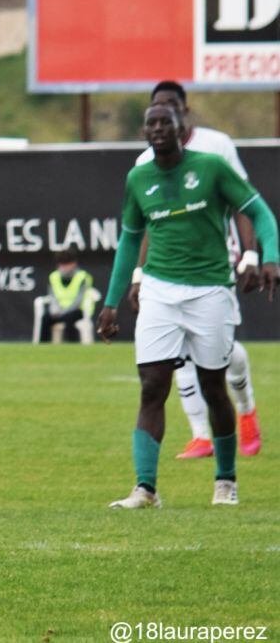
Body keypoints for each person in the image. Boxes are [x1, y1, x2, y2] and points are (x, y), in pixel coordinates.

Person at [98, 104, 278, 509]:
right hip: (159, 291)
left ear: (183, 130)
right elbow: (130, 240)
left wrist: (269, 258)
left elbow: (259, 212)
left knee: (214, 386)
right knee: (151, 386)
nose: (158, 128)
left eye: (166, 122)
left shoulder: (212, 168)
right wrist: (112, 301)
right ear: (144, 132)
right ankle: (145, 489)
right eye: (151, 123)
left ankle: (226, 481)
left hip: (210, 290)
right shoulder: (138, 177)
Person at [132, 81, 263, 459]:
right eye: (154, 111)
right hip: (166, 273)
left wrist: (249, 254)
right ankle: (200, 433)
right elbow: (141, 226)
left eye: (170, 108)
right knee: (175, 357)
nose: (160, 121)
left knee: (221, 355)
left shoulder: (216, 147)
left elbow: (244, 201)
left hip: (214, 265)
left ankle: (246, 408)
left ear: (183, 112)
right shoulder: (144, 163)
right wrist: (139, 275)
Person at [33, 248, 96, 344]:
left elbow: (79, 300)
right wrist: (55, 309)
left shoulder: (82, 277)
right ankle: (43, 347)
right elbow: (52, 296)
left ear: (73, 264)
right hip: (59, 310)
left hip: (78, 311)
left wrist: (65, 311)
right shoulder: (53, 276)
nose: (64, 268)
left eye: (66, 264)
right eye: (61, 264)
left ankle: (72, 347)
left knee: (69, 319)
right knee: (46, 318)